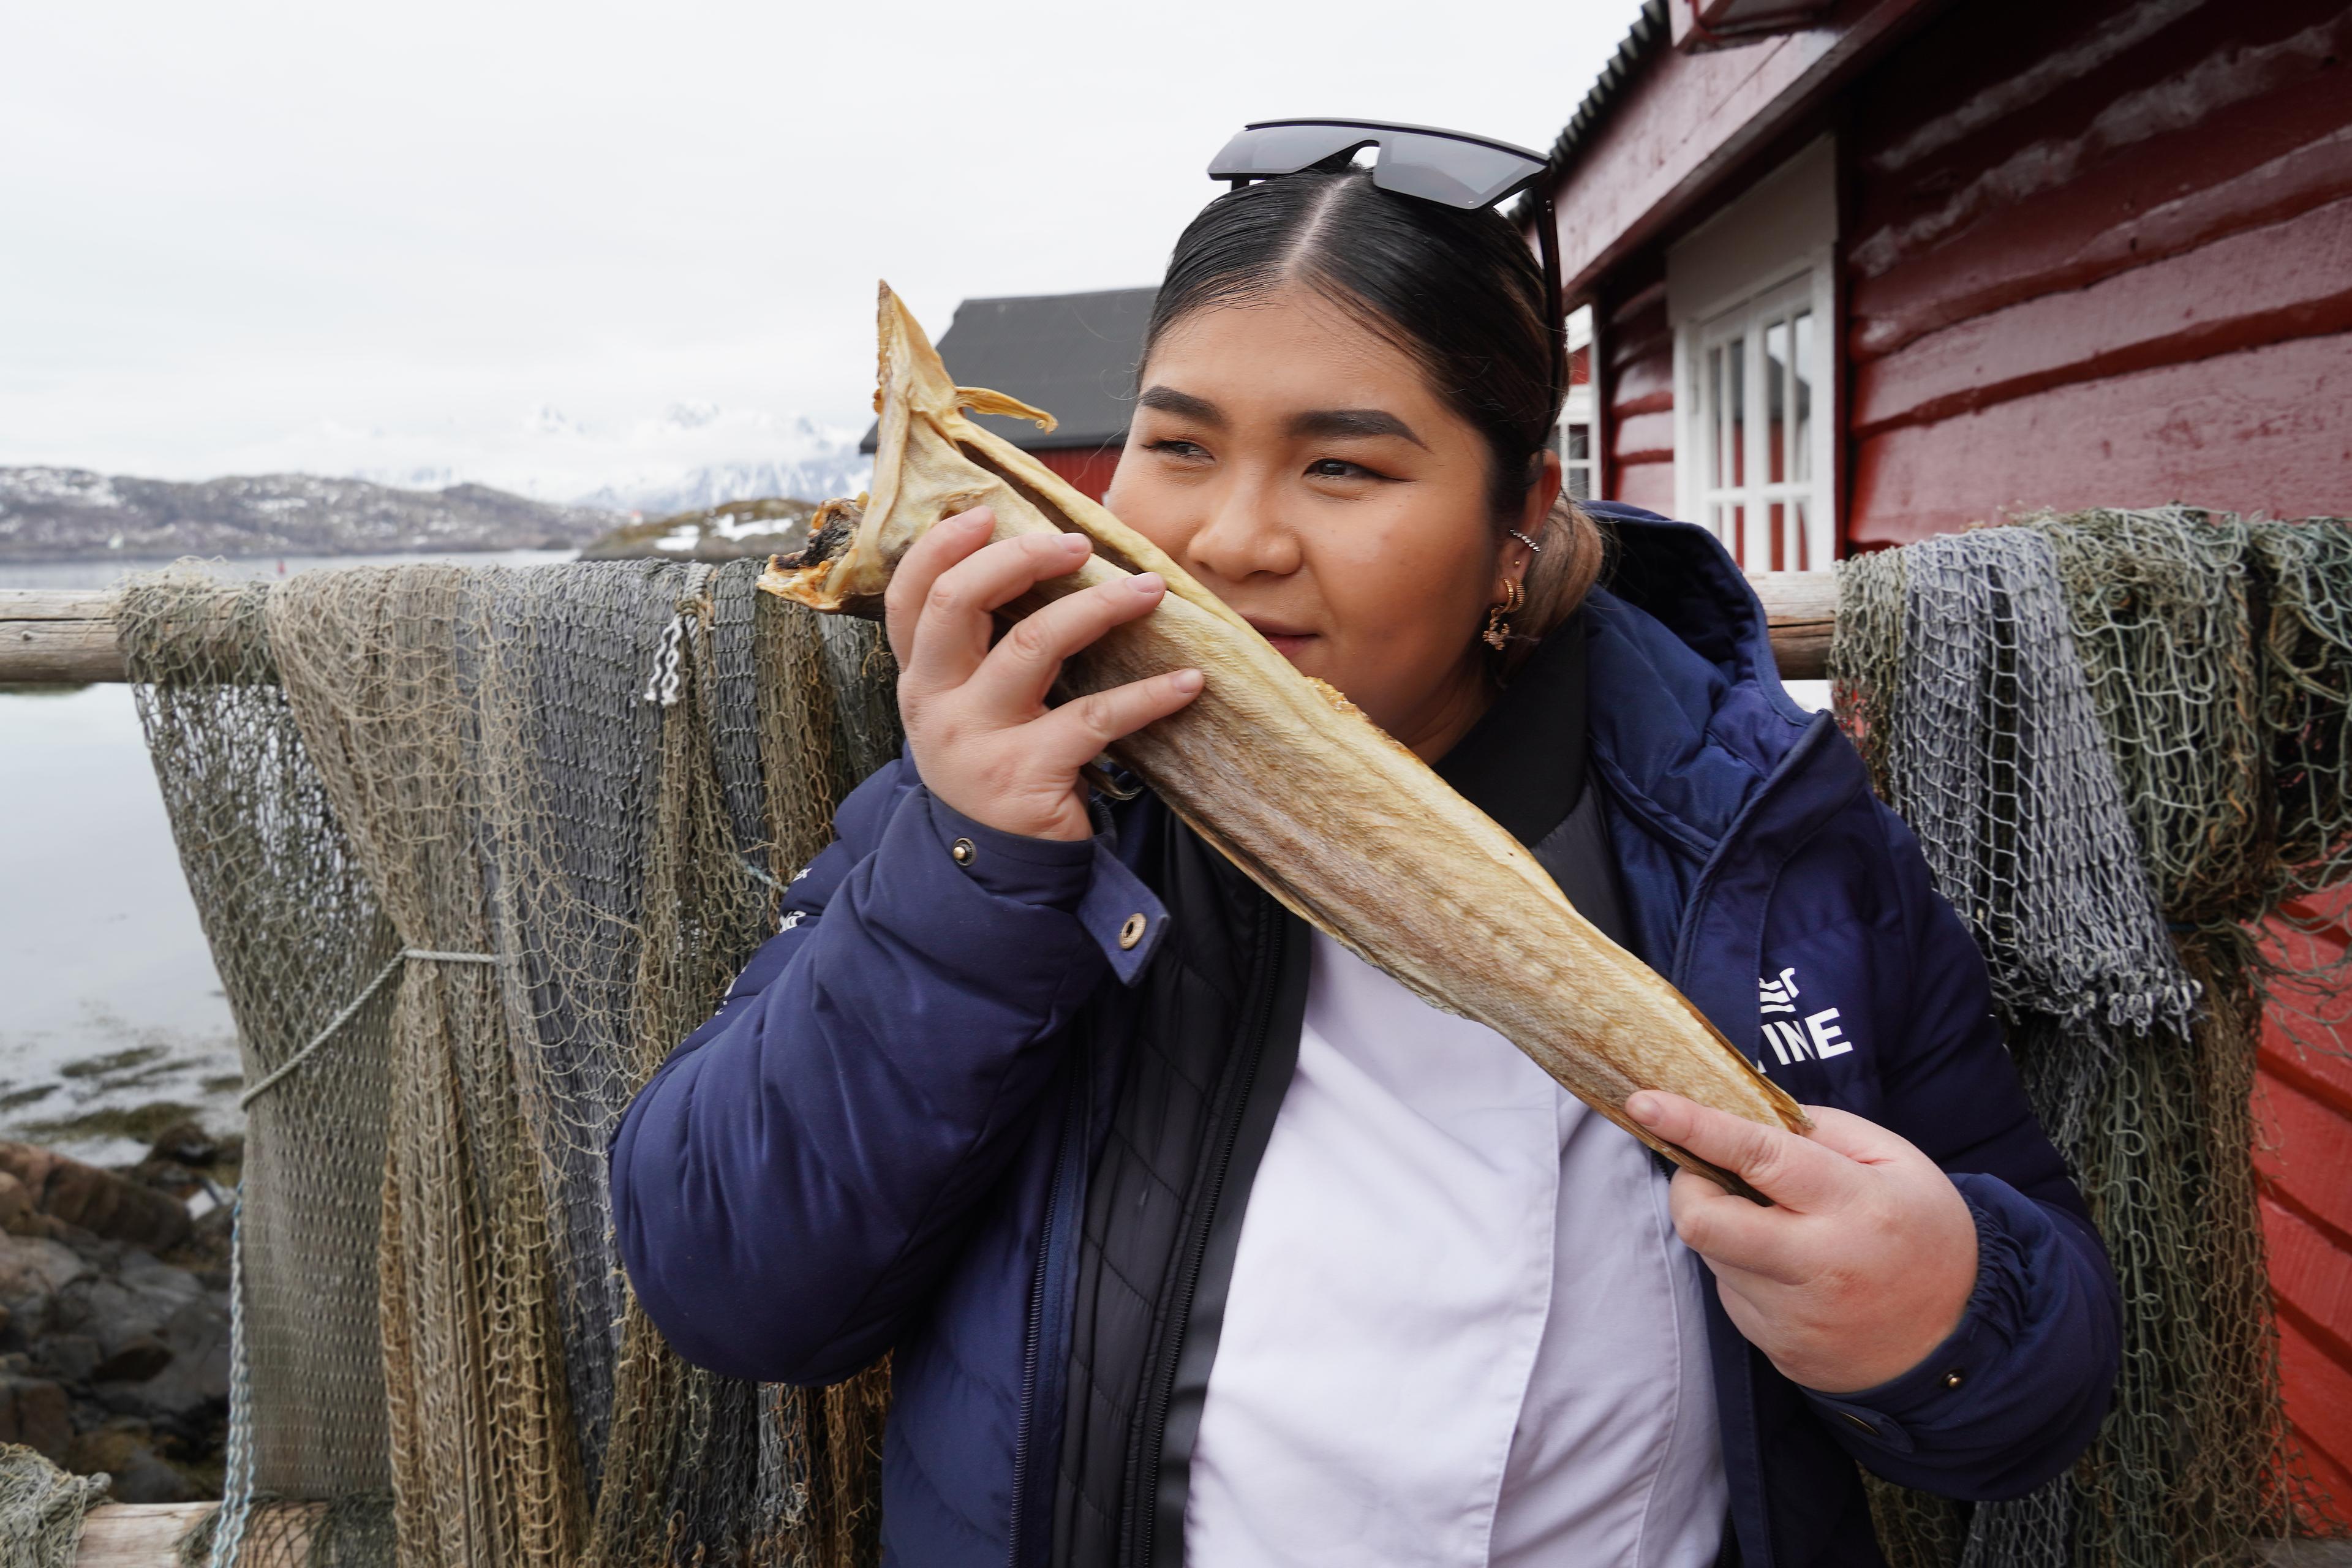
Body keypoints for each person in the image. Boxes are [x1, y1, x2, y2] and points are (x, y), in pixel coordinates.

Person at [609, 123, 2119, 1568]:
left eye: (1344, 467)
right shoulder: (1009, 800)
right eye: (1178, 445)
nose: (1232, 537)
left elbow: (2034, 1390)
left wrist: (1946, 1319)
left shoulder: (1759, 833)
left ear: (1514, 517)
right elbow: (730, 1280)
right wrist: (967, 866)